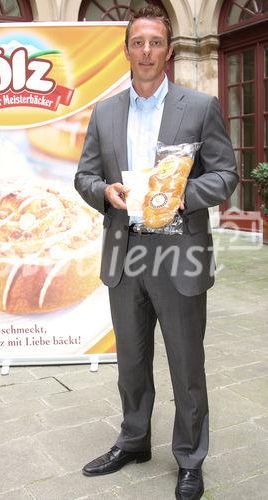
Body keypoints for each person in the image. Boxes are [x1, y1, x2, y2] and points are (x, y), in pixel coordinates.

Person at [74, 6, 238, 499]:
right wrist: (104, 192)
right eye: (137, 42)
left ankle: (190, 458)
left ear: (169, 51)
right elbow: (83, 175)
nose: (146, 51)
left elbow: (225, 173)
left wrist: (180, 196)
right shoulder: (105, 112)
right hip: (126, 252)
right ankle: (134, 439)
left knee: (186, 364)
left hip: (179, 252)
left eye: (155, 42)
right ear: (126, 50)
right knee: (131, 361)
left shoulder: (199, 106)